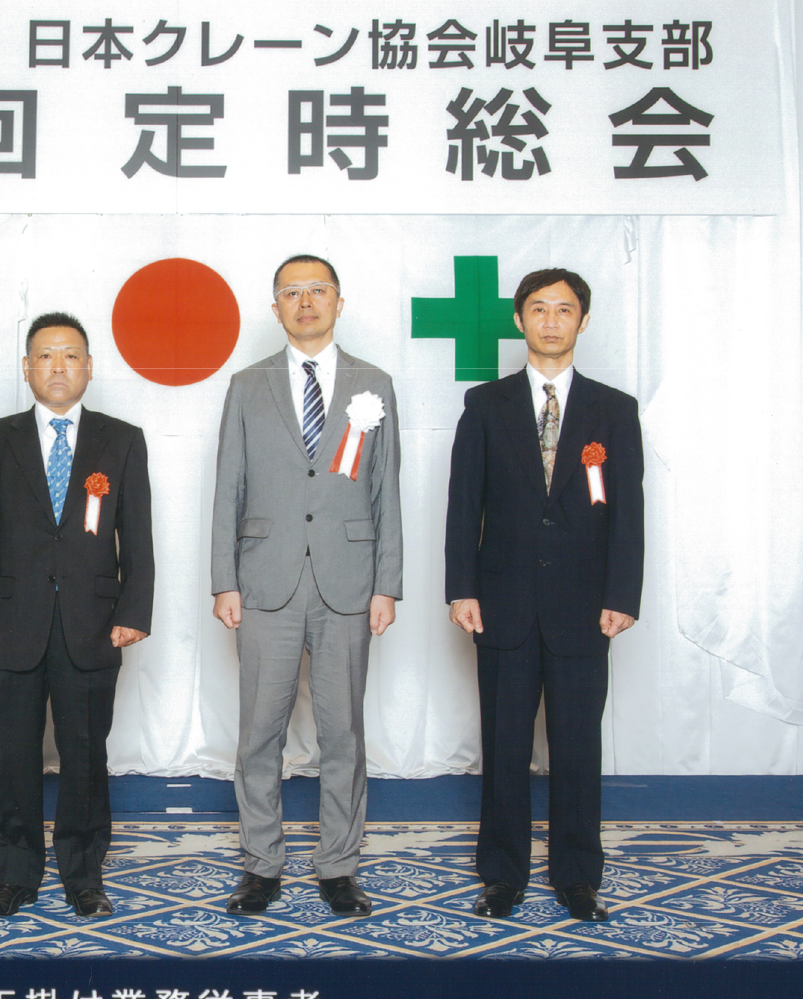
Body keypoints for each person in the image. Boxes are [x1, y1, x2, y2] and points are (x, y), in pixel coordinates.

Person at [444, 268, 644, 923]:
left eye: (564, 309)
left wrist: (623, 594)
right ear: (519, 319)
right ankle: (501, 876)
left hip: (584, 607)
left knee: (577, 747)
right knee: (503, 745)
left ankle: (577, 877)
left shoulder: (614, 409)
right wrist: (461, 588)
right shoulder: (485, 404)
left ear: (582, 320)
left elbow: (628, 512)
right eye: (538, 308)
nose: (551, 320)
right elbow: (463, 504)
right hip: (501, 602)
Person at [211, 255, 403, 918]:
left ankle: (338, 867)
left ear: (338, 301)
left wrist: (387, 584)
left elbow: (385, 491)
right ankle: (261, 865)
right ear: (275, 308)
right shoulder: (247, 385)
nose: (305, 302)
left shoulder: (373, 384)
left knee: (342, 732)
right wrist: (224, 580)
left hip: (349, 582)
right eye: (291, 293)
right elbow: (228, 487)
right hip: (265, 581)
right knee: (258, 733)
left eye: (317, 290)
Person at [0, 312, 154, 918]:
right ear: (27, 368)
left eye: (71, 355)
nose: (58, 366)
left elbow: (137, 536)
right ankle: (15, 875)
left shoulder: (121, 440)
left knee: (86, 756)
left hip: (93, 624)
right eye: (45, 355)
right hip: (12, 624)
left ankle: (84, 876)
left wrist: (134, 610)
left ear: (90, 367)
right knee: (14, 755)